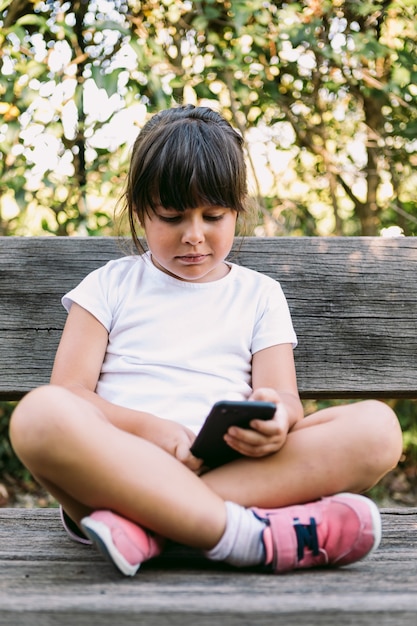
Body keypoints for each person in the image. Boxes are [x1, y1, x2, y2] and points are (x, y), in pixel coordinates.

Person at [9, 105, 402, 577]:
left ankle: (149, 526)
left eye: (213, 215)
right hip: (120, 469)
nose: (194, 236)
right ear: (140, 212)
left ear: (238, 209)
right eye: (172, 217)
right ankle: (248, 536)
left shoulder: (259, 294)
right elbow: (70, 393)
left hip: (230, 468)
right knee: (38, 415)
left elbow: (286, 400)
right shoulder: (108, 286)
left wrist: (275, 419)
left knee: (378, 430)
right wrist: (154, 431)